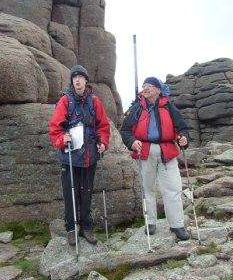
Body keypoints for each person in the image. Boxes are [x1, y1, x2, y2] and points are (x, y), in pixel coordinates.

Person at [120, 76, 190, 240]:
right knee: (148, 188)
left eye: (149, 86)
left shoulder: (170, 107)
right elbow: (125, 131)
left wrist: (184, 138)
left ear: (158, 90)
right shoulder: (136, 109)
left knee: (173, 188)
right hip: (145, 151)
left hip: (167, 151)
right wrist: (132, 142)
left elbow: (183, 128)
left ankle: (177, 225)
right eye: (144, 85)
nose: (145, 88)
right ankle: (150, 222)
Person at [49, 65, 110, 246]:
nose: (77, 80)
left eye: (80, 77)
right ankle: (71, 229)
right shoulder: (65, 101)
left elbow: (103, 126)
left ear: (85, 81)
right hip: (70, 157)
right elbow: (55, 128)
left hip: (90, 155)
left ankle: (86, 227)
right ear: (72, 81)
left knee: (87, 193)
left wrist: (103, 143)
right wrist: (62, 138)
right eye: (74, 77)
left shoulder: (95, 102)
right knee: (70, 193)